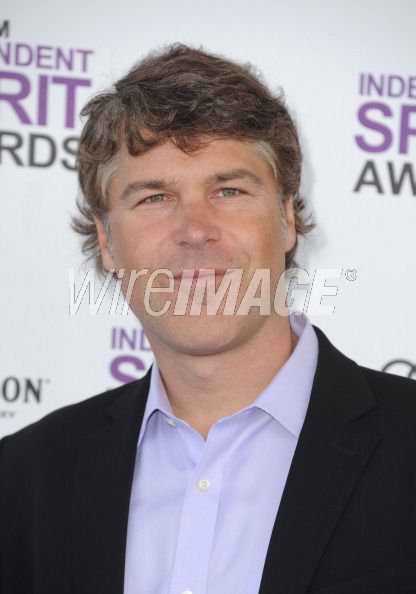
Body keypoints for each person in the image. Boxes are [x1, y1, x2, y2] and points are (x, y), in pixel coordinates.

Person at [1, 43, 415, 594]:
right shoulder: (23, 480)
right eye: (154, 197)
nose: (195, 230)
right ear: (105, 240)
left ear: (287, 219)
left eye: (229, 190)